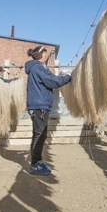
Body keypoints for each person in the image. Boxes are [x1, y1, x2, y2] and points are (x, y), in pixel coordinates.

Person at [24, 45, 71, 176]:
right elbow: (52, 81)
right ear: (42, 55)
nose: (46, 57)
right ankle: (35, 164)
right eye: (45, 55)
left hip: (39, 105)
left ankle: (37, 162)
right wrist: (68, 77)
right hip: (40, 106)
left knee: (39, 134)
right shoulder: (38, 67)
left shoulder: (34, 68)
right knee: (40, 135)